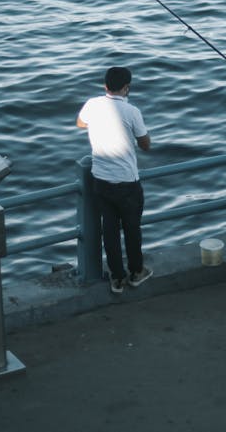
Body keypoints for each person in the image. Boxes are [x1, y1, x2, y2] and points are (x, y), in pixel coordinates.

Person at [77, 66, 153, 294]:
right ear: (127, 88)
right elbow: (146, 145)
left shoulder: (92, 104)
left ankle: (117, 278)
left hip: (100, 180)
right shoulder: (132, 112)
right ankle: (136, 272)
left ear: (105, 86)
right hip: (127, 182)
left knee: (109, 230)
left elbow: (81, 123)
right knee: (131, 229)